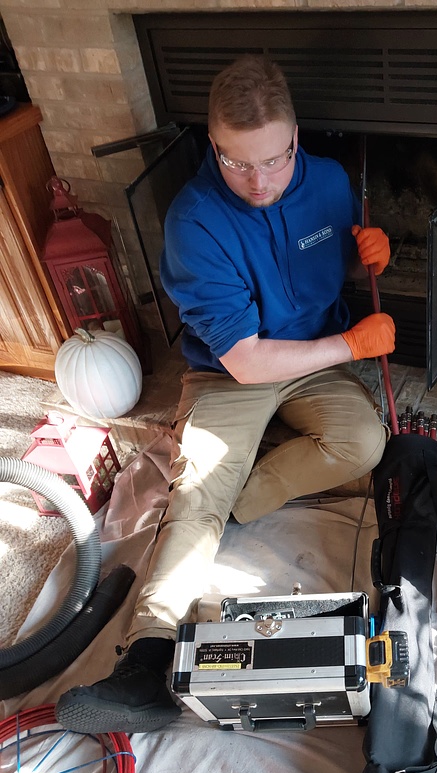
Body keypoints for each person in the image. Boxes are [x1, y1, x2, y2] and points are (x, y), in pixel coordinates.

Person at [55, 54, 395, 734]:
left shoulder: (330, 182)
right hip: (230, 369)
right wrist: (353, 346)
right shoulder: (194, 222)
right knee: (198, 486)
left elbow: (330, 255)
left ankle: (235, 504)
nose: (259, 181)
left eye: (275, 159)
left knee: (364, 442)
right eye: (238, 163)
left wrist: (368, 255)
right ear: (213, 144)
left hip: (311, 357)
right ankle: (145, 662)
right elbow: (245, 361)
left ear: (295, 137)